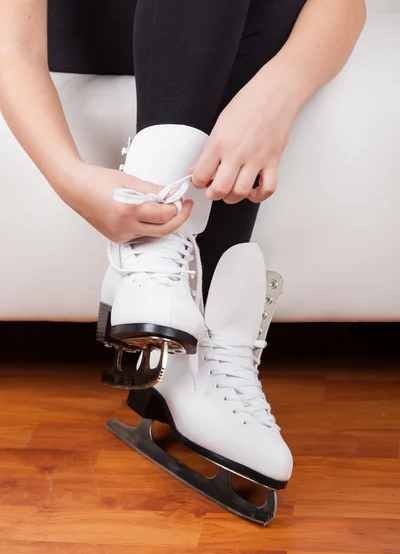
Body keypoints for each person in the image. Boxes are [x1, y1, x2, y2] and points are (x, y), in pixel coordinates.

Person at [0, 0, 366, 522]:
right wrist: (71, 178)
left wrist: (272, 98)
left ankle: (193, 321)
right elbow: (11, 43)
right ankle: (163, 272)